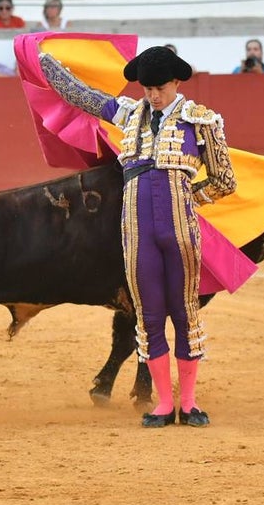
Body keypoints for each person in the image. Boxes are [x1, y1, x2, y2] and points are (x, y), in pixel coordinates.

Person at [39, 45, 237, 428]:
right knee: (147, 315)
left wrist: (190, 196)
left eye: (159, 87)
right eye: (147, 88)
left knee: (184, 313)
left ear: (176, 82)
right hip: (137, 230)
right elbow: (86, 98)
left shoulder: (202, 121)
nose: (153, 94)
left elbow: (225, 180)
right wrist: (47, 66)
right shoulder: (129, 114)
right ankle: (163, 404)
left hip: (179, 230)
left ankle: (190, 403)